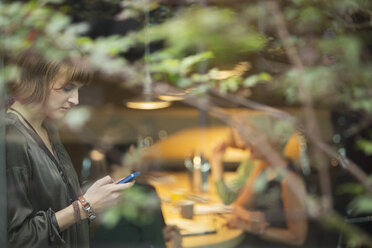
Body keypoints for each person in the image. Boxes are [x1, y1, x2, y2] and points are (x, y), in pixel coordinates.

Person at [5, 52, 134, 248]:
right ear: (36, 80)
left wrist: (93, 201)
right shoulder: (9, 137)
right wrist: (83, 206)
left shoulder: (48, 130)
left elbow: (59, 212)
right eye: (67, 88)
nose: (76, 100)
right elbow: (15, 238)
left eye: (77, 90)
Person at [90, 144, 182, 248]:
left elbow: (121, 236)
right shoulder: (142, 195)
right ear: (131, 151)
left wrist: (158, 235)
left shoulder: (94, 193)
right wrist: (176, 244)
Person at [227, 131, 308, 247]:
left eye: (254, 137)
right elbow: (238, 206)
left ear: (273, 142)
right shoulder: (263, 167)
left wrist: (258, 229)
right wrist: (248, 216)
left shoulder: (290, 180)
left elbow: (298, 238)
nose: (246, 143)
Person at [209, 127, 261, 205]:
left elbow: (229, 198)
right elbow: (228, 197)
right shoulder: (249, 162)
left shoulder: (265, 163)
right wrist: (216, 161)